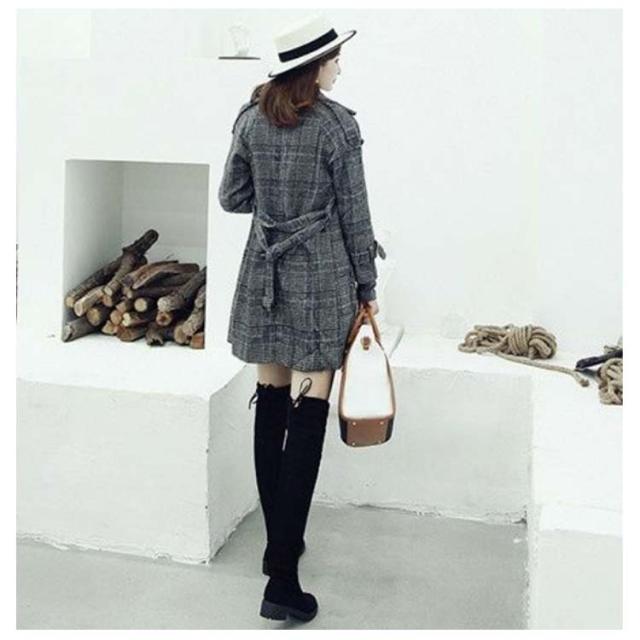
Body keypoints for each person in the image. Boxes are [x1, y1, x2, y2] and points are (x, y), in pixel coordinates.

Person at [218, 12, 386, 623]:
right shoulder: (337, 126)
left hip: (264, 274)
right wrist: (367, 288)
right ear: (315, 68)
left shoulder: (251, 117)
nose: (340, 65)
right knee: (307, 416)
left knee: (270, 404)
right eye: (335, 57)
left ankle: (276, 549)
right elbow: (355, 216)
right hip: (320, 281)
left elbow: (232, 197)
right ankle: (283, 579)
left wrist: (277, 204)